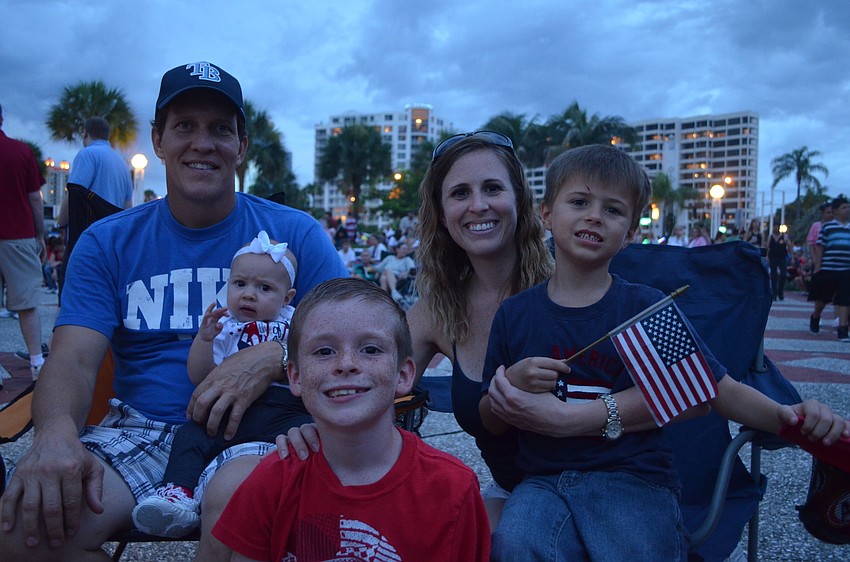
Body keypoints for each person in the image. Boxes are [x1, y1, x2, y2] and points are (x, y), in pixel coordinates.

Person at [0, 62, 348, 561]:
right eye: (185, 126)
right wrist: (55, 436)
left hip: (263, 429)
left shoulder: (294, 235)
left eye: (220, 130)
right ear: (158, 141)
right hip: (142, 429)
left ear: (241, 146)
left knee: (244, 519)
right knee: (23, 529)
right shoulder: (108, 241)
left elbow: (356, 333)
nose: (203, 143)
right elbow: (73, 359)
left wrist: (273, 355)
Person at [478, 144, 850, 561]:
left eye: (613, 210)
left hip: (633, 477)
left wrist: (786, 419)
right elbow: (489, 421)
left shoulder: (645, 308)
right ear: (546, 214)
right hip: (542, 480)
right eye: (579, 201)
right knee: (513, 545)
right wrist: (510, 386)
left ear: (631, 234)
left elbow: (710, 388)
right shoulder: (516, 314)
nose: (595, 216)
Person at [213, 278, 490, 561]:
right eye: (324, 351)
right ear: (295, 377)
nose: (345, 363)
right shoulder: (273, 480)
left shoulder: (451, 489)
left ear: (404, 374)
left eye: (370, 349)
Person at [131, 231, 312, 538]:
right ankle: (177, 496)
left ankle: (315, 497)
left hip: (284, 411)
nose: (249, 294)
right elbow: (200, 376)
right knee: (190, 435)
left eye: (264, 288)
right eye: (239, 284)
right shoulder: (225, 326)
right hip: (230, 413)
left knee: (311, 434)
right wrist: (204, 341)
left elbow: (314, 360)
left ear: (287, 297)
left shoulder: (296, 323)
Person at [0, 102, 47, 380]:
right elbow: (34, 199)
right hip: (18, 235)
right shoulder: (21, 152)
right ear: (2, 118)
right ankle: (36, 361)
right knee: (27, 304)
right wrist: (39, 234)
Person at [808, 195, 850, 341]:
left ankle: (843, 329)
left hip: (846, 270)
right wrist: (818, 267)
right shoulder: (827, 228)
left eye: (848, 207)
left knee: (844, 300)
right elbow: (820, 247)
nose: (847, 210)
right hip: (829, 268)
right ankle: (816, 316)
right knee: (822, 299)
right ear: (836, 211)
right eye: (844, 208)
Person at [767, 222, 793, 301]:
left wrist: (790, 255)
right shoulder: (770, 237)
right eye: (775, 227)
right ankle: (774, 294)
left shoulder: (784, 237)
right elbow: (768, 247)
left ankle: (780, 292)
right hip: (773, 258)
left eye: (777, 227)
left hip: (782, 258)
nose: (776, 228)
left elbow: (789, 246)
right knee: (773, 276)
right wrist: (767, 257)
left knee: (783, 274)